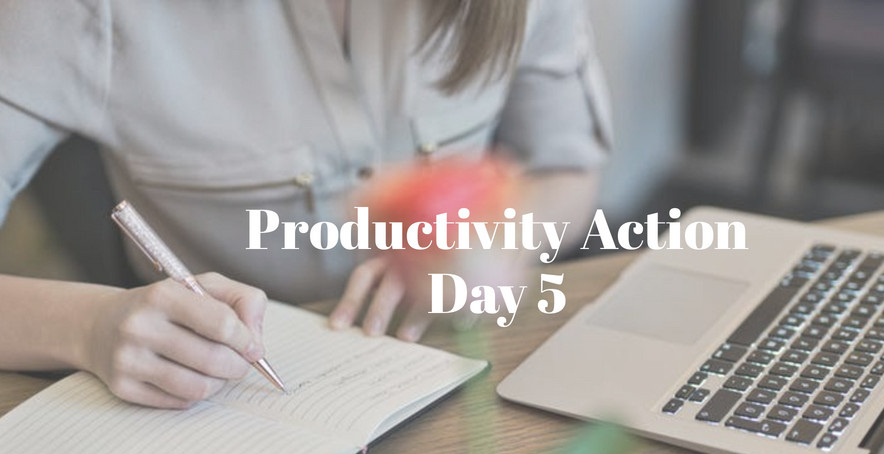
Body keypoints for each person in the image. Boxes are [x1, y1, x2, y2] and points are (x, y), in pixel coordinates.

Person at [0, 0, 612, 408]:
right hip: (218, 402)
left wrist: (494, 244)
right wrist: (88, 326)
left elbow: (567, 169)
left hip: (465, 371)